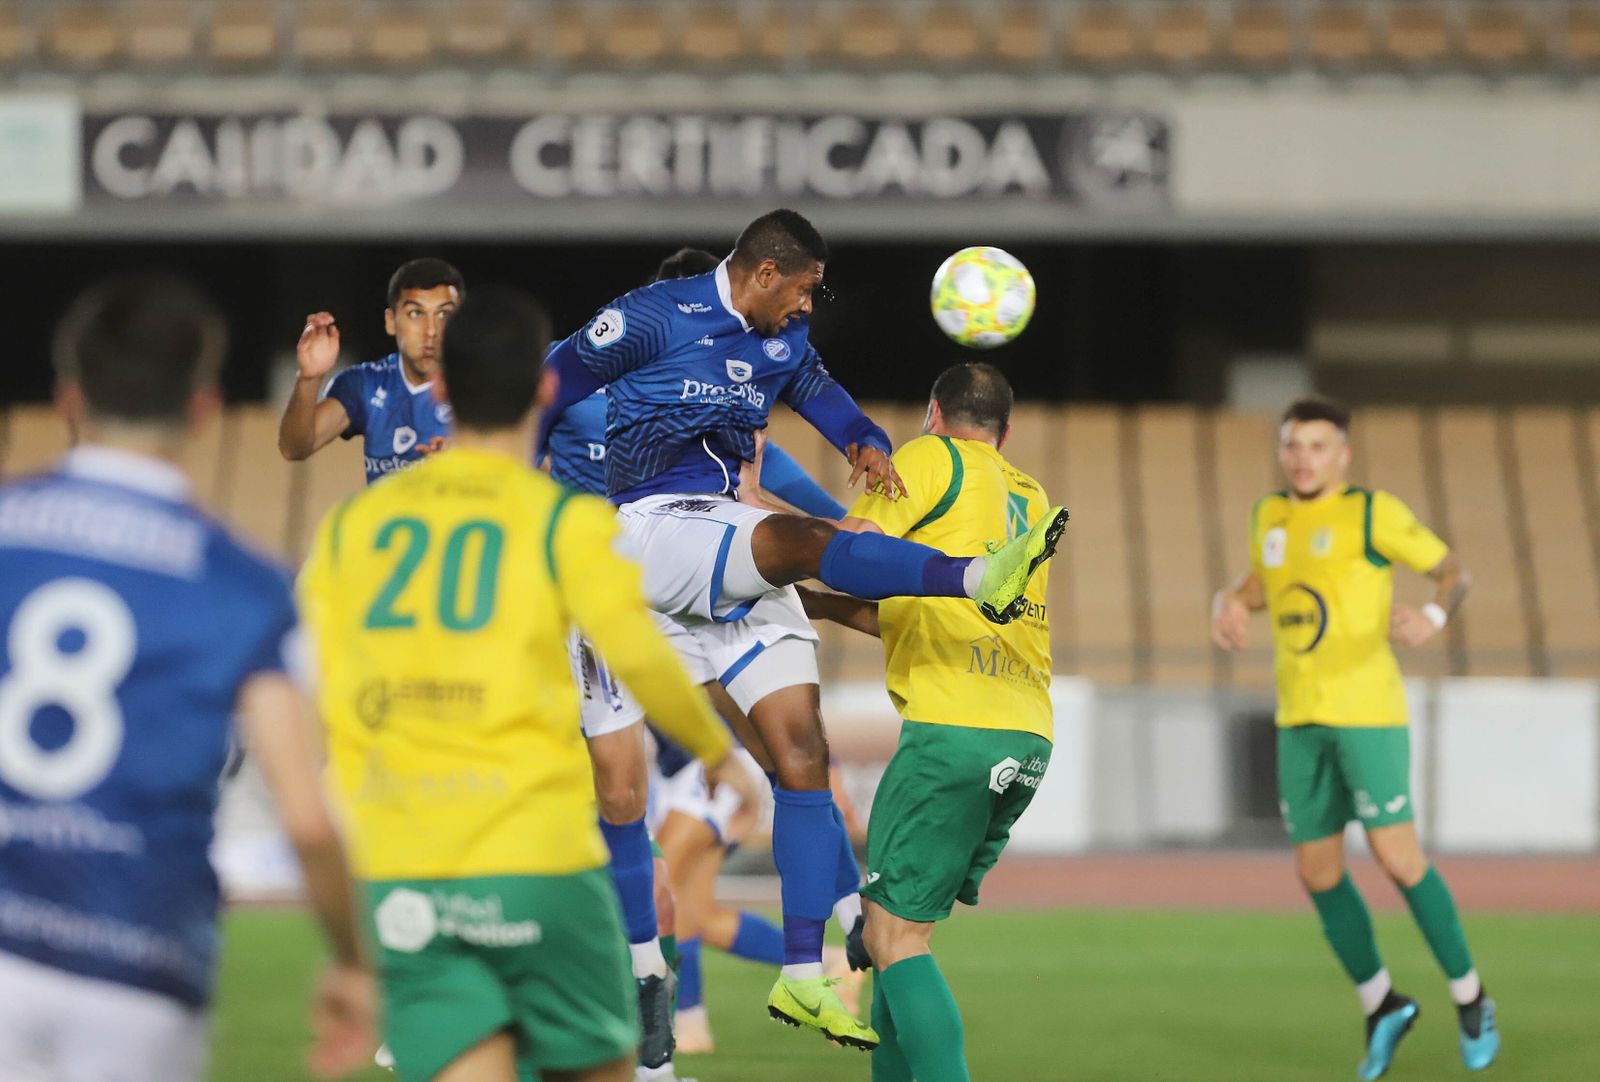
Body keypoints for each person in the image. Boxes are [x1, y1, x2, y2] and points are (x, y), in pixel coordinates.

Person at [538, 209, 1066, 1047]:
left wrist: (862, 441)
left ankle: (801, 977)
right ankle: (973, 579)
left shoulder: (779, 346)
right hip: (639, 530)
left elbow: (818, 393)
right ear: (764, 273)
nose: (811, 308)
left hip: (711, 535)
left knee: (800, 751)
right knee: (802, 551)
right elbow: (544, 386)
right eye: (808, 291)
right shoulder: (647, 317)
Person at [299, 285, 735, 1082]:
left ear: (446, 389)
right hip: (536, 864)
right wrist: (719, 751)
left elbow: (317, 680)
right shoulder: (564, 521)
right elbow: (636, 653)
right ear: (543, 389)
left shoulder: (352, 528)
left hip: (407, 875)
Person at [0, 274, 374, 1080]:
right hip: (139, 962)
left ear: (69, 397)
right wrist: (351, 961)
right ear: (203, 407)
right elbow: (307, 820)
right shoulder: (242, 581)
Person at [1211, 395, 1497, 1080]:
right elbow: (1263, 583)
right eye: (1292, 446)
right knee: (1316, 873)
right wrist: (1228, 599)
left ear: (1343, 453)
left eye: (1317, 446)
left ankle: (1471, 997)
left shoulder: (1374, 512)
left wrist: (1431, 613)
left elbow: (1454, 572)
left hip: (1366, 712)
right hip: (1298, 719)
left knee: (1399, 860)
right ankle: (1383, 1005)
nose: (1303, 458)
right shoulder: (1268, 515)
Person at [802, 362, 1057, 1082]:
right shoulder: (1031, 496)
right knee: (897, 933)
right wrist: (820, 609)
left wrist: (766, 545)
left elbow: (848, 549)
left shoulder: (927, 457)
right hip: (1026, 730)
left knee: (894, 940)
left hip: (953, 729)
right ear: (1004, 433)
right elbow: (929, 615)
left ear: (932, 412)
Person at [278, 258, 464, 481]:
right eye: (416, 313)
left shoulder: (481, 385)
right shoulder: (365, 384)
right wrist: (309, 378)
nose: (431, 331)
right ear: (391, 321)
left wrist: (468, 461)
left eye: (444, 314)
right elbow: (294, 448)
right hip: (390, 517)